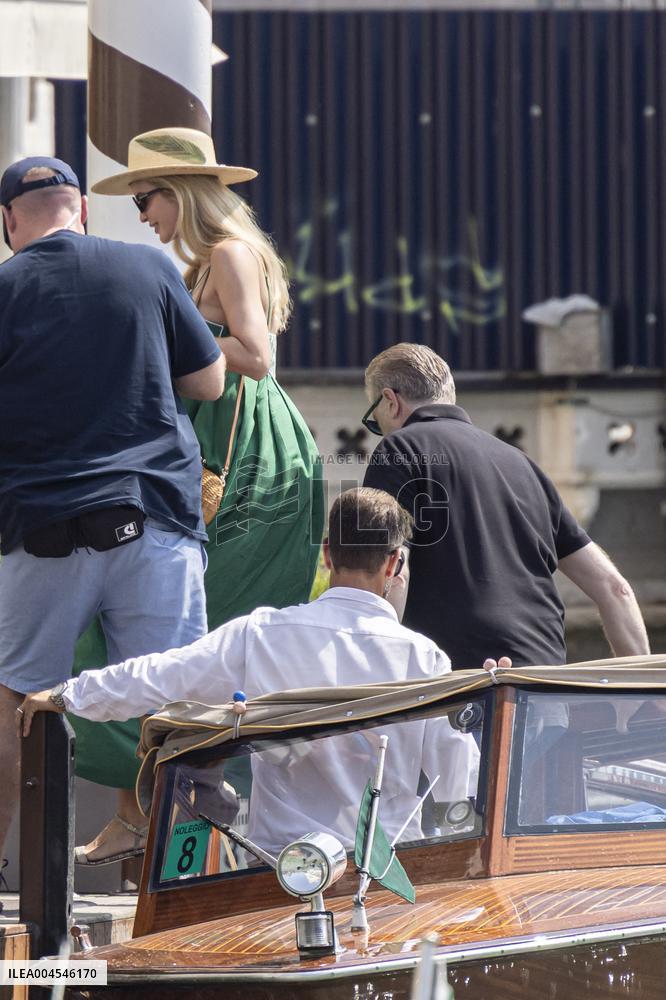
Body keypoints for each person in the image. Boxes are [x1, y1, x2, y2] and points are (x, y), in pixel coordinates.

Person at [68, 127, 325, 863]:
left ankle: (159, 813)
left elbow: (255, 356)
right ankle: (150, 808)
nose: (142, 214)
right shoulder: (206, 261)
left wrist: (171, 344)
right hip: (213, 444)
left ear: (181, 193)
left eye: (146, 198)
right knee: (169, 632)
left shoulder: (230, 255)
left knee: (186, 632)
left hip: (241, 451)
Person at [18, 488, 482, 854]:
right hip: (387, 872)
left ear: (326, 554)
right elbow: (456, 779)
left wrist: (65, 695)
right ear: (394, 563)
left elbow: (160, 674)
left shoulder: (261, 634)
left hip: (278, 869)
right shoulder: (425, 659)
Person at [0, 156, 226, 863]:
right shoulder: (148, 269)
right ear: (82, 210)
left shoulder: (4, 286)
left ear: (9, 222)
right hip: (153, 519)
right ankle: (182, 884)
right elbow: (211, 381)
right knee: (178, 705)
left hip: (41, 531)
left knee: (16, 704)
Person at [362, 343, 650, 668]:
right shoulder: (523, 465)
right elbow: (615, 589)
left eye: (375, 423)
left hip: (457, 688)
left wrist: (380, 677)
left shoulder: (399, 450)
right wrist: (645, 693)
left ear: (390, 401)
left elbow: (392, 569)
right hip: (543, 685)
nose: (379, 431)